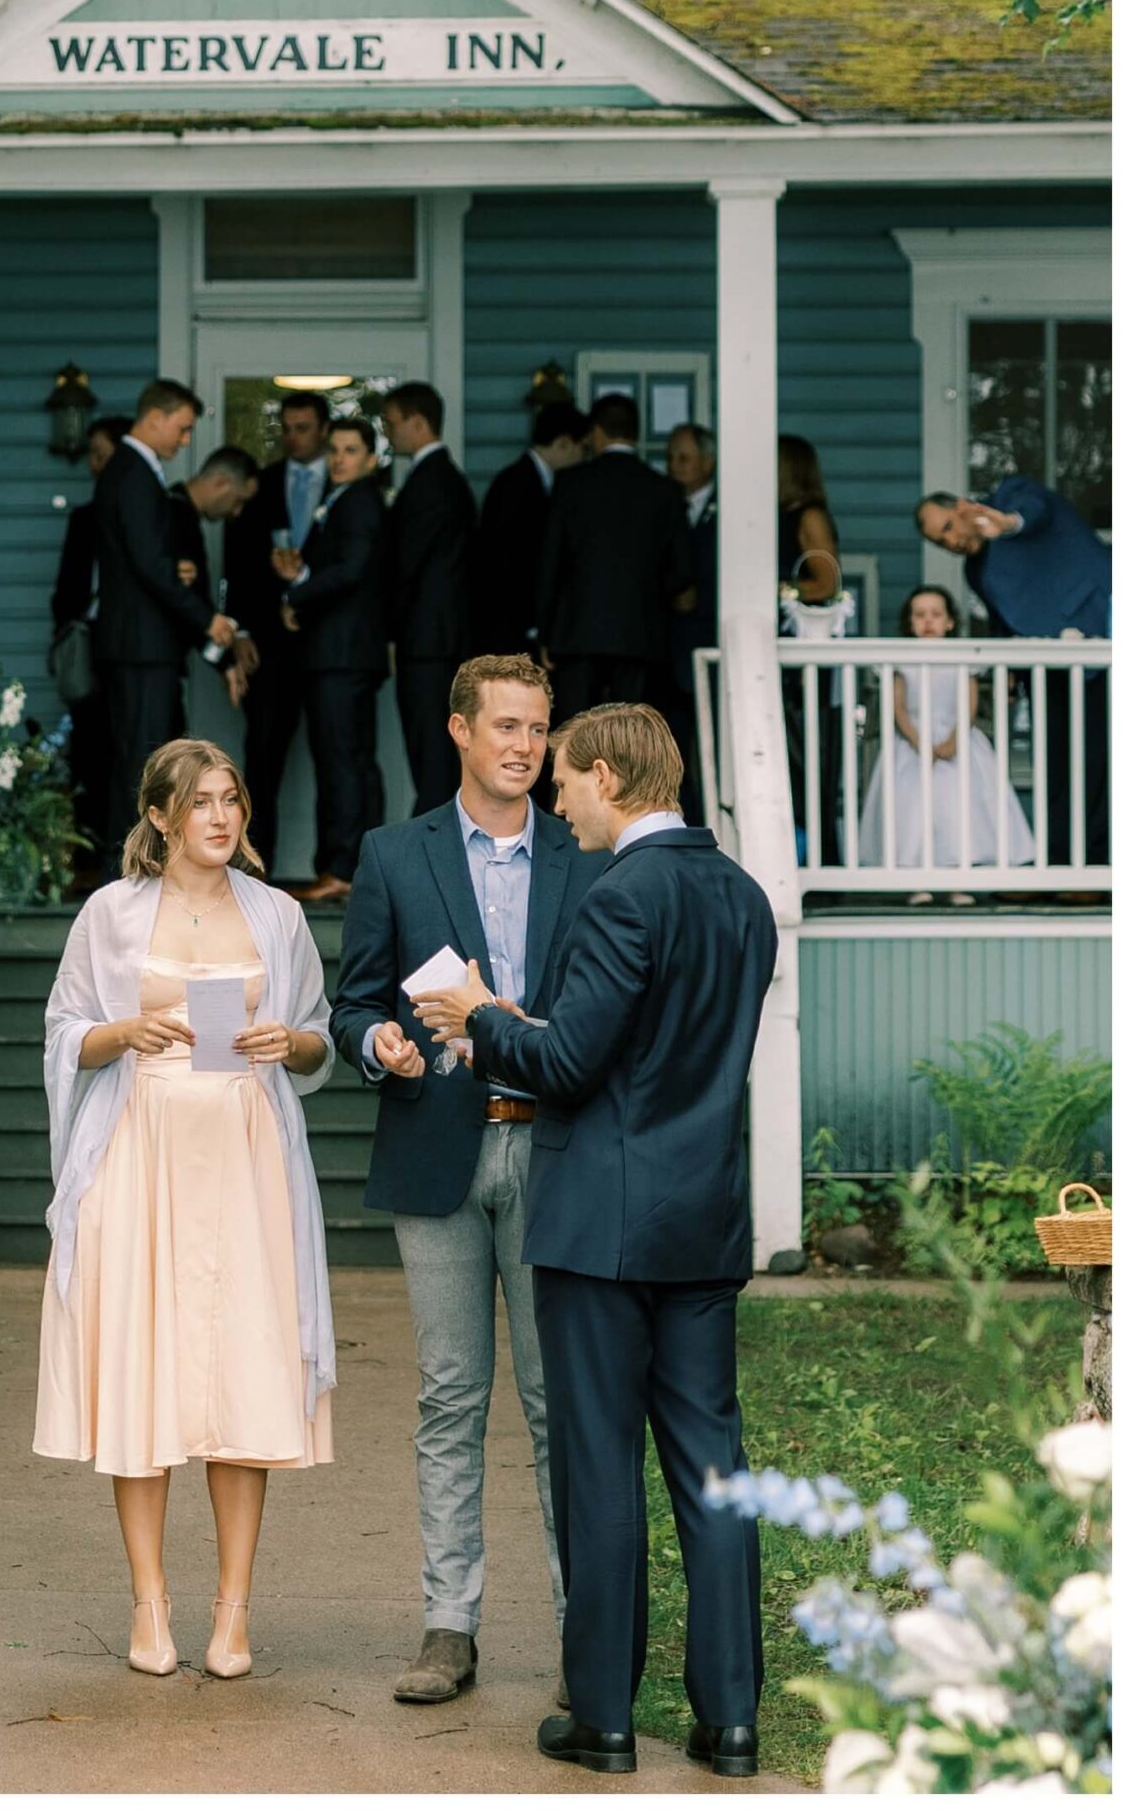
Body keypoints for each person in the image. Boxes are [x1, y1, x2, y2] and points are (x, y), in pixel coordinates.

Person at [413, 702, 777, 1781]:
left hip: (599, 1229)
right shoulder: (743, 897)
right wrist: (531, 1023)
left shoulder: (625, 893)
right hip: (702, 1217)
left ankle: (606, 1719)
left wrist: (481, 1013)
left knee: (599, 1470)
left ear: (610, 778)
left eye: (565, 779)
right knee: (714, 1471)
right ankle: (731, 1722)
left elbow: (567, 1064)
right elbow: (666, 1051)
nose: (556, 798)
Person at [331, 655, 608, 1706]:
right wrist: (379, 1049)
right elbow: (352, 1004)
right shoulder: (395, 855)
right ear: (457, 729)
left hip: (555, 1149)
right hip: (436, 1148)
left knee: (555, 1401)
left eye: (537, 727)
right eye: (504, 724)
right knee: (449, 1397)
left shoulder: (585, 853)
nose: (524, 745)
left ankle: (587, 1631)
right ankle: (450, 1626)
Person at [34, 738, 336, 1682]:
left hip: (247, 1157)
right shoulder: (110, 914)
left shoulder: (279, 915)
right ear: (159, 817)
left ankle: (233, 1611)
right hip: (140, 1152)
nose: (220, 816)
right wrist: (122, 1031)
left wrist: (290, 1043)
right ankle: (149, 1603)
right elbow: (65, 1033)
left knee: (244, 1374)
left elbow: (320, 1042)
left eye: (231, 799)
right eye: (199, 801)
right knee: (145, 1370)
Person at [917, 478, 1111, 869]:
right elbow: (1003, 621)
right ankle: (1061, 862)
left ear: (963, 507)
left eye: (948, 528)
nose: (950, 542)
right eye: (941, 542)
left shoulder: (1010, 496)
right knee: (1058, 764)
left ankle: (1094, 863)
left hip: (1102, 643)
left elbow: (1034, 512)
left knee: (1099, 762)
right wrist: (1007, 673)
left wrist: (1007, 522)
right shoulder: (977, 570)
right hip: (1048, 668)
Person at [92, 381, 236, 864]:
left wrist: (175, 566)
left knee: (143, 759)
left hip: (143, 643)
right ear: (155, 416)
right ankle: (128, 875)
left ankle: (138, 869)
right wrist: (205, 618)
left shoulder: (134, 471)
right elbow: (148, 563)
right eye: (183, 428)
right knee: (141, 764)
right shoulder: (132, 472)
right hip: (139, 644)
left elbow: (149, 558)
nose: (185, 440)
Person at [274, 417, 388, 903]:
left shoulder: (359, 502)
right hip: (344, 651)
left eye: (350, 450)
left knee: (342, 759)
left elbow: (353, 569)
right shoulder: (343, 500)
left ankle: (342, 866)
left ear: (370, 459)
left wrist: (297, 595)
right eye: (335, 449)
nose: (340, 458)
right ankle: (354, 864)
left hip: (342, 652)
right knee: (351, 758)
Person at [859, 585, 1035, 894]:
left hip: (957, 741)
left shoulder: (961, 657)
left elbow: (967, 704)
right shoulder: (903, 660)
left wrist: (955, 739)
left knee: (958, 810)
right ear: (909, 623)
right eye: (920, 615)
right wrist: (917, 741)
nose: (928, 622)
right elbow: (898, 708)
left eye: (936, 615)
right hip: (913, 745)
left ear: (950, 622)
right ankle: (918, 883)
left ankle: (958, 883)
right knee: (913, 813)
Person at [224, 392, 332, 878]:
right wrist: (240, 629)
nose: (293, 437)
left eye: (303, 427)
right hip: (268, 646)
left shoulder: (348, 483)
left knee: (338, 758)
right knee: (262, 760)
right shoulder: (261, 485)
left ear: (324, 430)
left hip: (331, 643)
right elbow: (235, 564)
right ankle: (252, 866)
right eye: (286, 427)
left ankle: (338, 870)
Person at [536, 395, 694, 726]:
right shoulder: (664, 490)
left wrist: (547, 632)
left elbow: (550, 561)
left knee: (577, 734)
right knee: (630, 737)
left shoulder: (571, 484)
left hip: (577, 633)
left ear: (596, 432)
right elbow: (680, 570)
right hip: (641, 635)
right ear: (634, 433)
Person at [382, 383, 480, 814]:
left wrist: (388, 632)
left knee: (432, 754)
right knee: (436, 752)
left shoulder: (429, 482)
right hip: (441, 636)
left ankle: (431, 849)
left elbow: (406, 564)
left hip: (427, 639)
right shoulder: (445, 478)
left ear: (417, 422)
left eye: (391, 423)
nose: (388, 433)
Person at [50, 414, 131, 875]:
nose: (94, 466)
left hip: (134, 649)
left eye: (101, 456)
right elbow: (65, 589)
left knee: (133, 750)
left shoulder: (152, 507)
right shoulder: (85, 518)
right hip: (88, 644)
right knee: (89, 752)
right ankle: (88, 856)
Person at [473, 403, 590, 659]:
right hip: (509, 629)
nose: (584, 456)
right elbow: (509, 562)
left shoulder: (538, 482)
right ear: (563, 443)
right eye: (583, 447)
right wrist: (533, 626)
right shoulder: (516, 485)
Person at [778, 434, 844, 867]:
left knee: (809, 761)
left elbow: (826, 580)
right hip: (783, 659)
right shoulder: (777, 514)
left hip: (806, 659)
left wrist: (782, 589)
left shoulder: (809, 515)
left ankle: (820, 857)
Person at [170, 444, 263, 711]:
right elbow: (186, 597)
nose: (237, 512)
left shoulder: (182, 515)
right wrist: (224, 660)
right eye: (239, 500)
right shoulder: (174, 517)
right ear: (221, 482)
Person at [665, 422, 718, 821]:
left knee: (710, 744)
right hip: (669, 645)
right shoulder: (663, 504)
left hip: (710, 637)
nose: (674, 466)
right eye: (670, 458)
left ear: (708, 460)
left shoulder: (727, 509)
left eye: (683, 457)